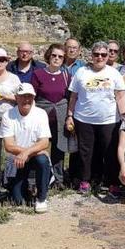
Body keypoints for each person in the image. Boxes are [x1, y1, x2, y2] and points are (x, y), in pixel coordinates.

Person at [66, 41, 125, 194]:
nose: (100, 57)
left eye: (103, 54)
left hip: (109, 120)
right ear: (91, 55)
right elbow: (73, 96)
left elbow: (120, 97)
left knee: (109, 152)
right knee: (85, 152)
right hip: (84, 119)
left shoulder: (114, 73)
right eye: (96, 54)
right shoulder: (81, 72)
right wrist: (70, 115)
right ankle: (85, 181)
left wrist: (124, 116)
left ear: (108, 56)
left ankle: (111, 182)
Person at [0, 83, 52, 212]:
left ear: (33, 98)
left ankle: (41, 198)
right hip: (17, 159)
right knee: (18, 201)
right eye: (22, 96)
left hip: (34, 157)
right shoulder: (8, 115)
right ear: (16, 97)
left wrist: (27, 153)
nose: (26, 100)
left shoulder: (40, 113)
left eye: (29, 96)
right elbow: (9, 146)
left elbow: (45, 142)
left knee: (43, 160)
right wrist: (26, 153)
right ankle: (26, 187)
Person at [32, 44, 74, 186]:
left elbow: (69, 97)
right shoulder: (38, 74)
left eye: (60, 56)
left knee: (59, 148)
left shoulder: (67, 76)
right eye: (54, 55)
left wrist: (69, 116)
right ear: (49, 56)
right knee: (39, 147)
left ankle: (58, 178)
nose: (56, 59)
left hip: (60, 117)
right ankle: (36, 177)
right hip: (42, 115)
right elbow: (32, 97)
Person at [0, 48, 21, 186]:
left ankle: (11, 177)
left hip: (10, 119)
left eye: (2, 60)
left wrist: (5, 96)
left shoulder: (14, 78)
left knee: (11, 150)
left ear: (7, 61)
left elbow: (21, 98)